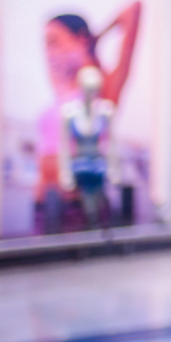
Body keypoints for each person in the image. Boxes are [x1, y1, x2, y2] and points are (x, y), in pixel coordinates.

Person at [37, 2, 141, 232]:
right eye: (46, 46)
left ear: (81, 40)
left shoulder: (105, 90)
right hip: (45, 202)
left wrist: (97, 39)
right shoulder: (61, 87)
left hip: (77, 205)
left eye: (55, 43)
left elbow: (133, 9)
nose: (50, 54)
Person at [59, 66, 117, 231]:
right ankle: (90, 224)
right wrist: (64, 172)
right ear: (80, 87)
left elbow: (112, 142)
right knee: (86, 198)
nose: (91, 93)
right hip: (80, 165)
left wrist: (114, 168)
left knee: (102, 198)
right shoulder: (69, 112)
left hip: (99, 164)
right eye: (88, 89)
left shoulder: (105, 110)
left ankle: (98, 225)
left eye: (95, 89)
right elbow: (63, 145)